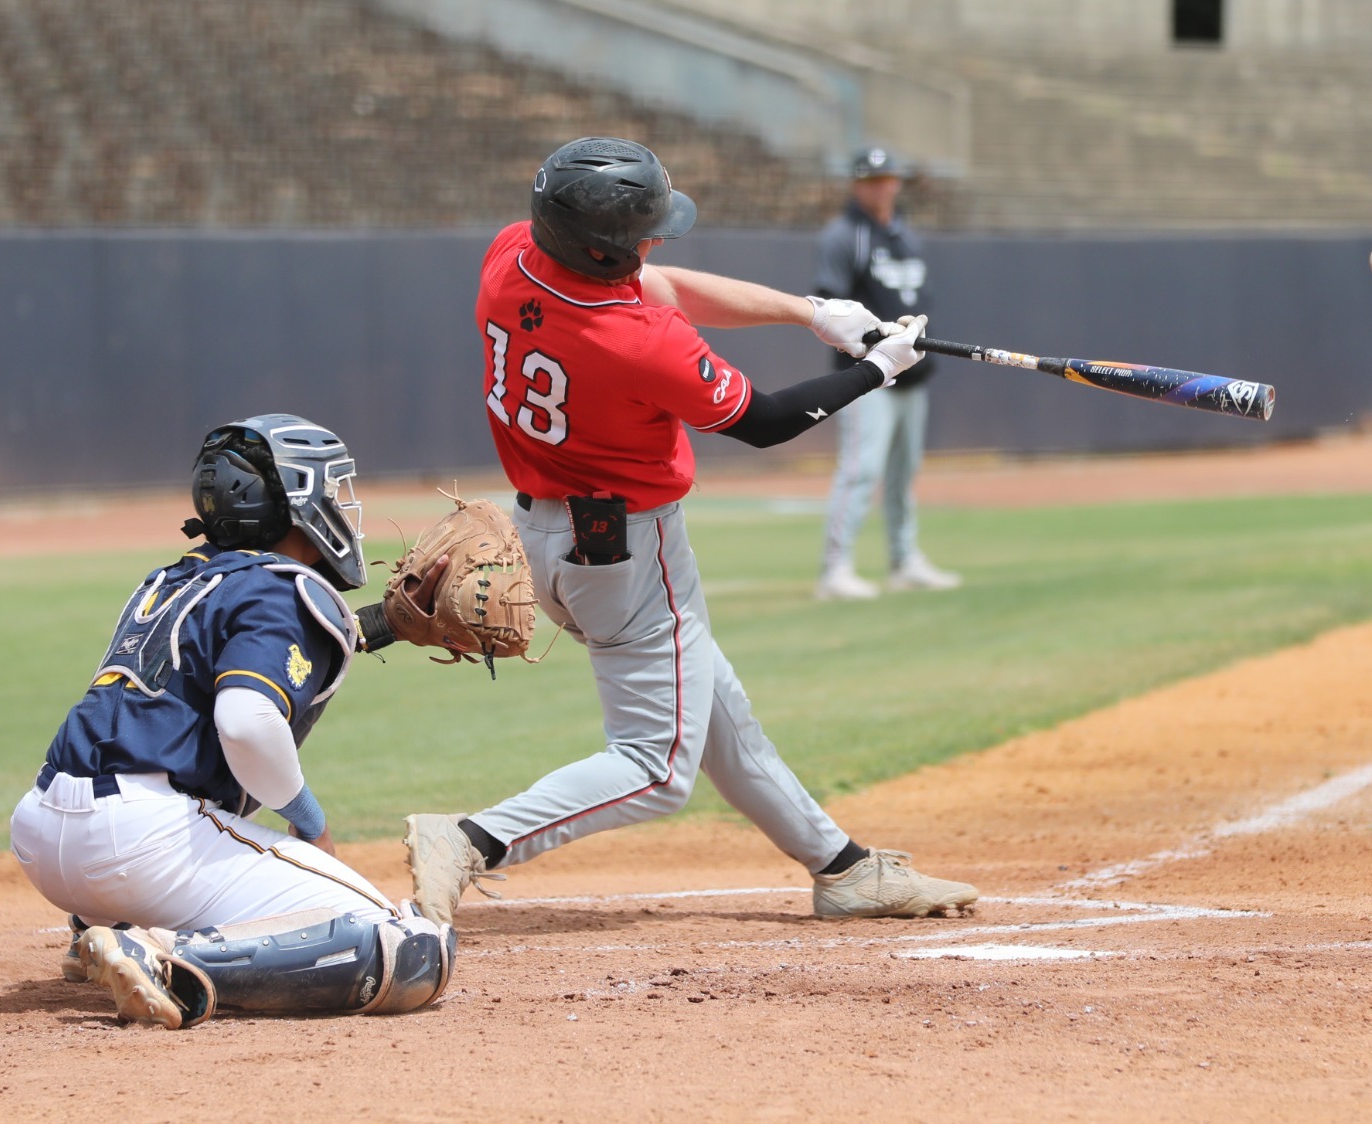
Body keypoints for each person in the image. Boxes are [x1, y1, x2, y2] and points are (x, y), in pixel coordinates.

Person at [404, 137, 978, 926]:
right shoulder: (640, 340)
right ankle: (473, 839)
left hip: (542, 539)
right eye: (643, 233)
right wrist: (876, 369)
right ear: (603, 248)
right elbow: (766, 422)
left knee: (717, 712)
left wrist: (813, 313)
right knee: (656, 767)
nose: (656, 244)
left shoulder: (513, 256)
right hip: (631, 556)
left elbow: (662, 284)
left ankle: (844, 869)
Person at [8, 416, 454, 1029]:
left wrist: (384, 624)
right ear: (296, 504)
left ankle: (105, 925)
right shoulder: (281, 590)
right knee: (406, 946)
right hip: (143, 843)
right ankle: (164, 956)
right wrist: (311, 823)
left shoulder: (176, 579)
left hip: (43, 834)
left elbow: (261, 641)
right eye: (331, 488)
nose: (342, 505)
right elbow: (246, 722)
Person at [813, 146, 959, 600]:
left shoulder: (904, 235)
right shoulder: (845, 236)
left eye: (887, 179)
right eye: (871, 180)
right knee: (861, 470)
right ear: (856, 184)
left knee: (903, 472)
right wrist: (867, 349)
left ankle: (904, 560)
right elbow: (829, 306)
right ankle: (835, 569)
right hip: (866, 375)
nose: (881, 188)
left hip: (912, 371)